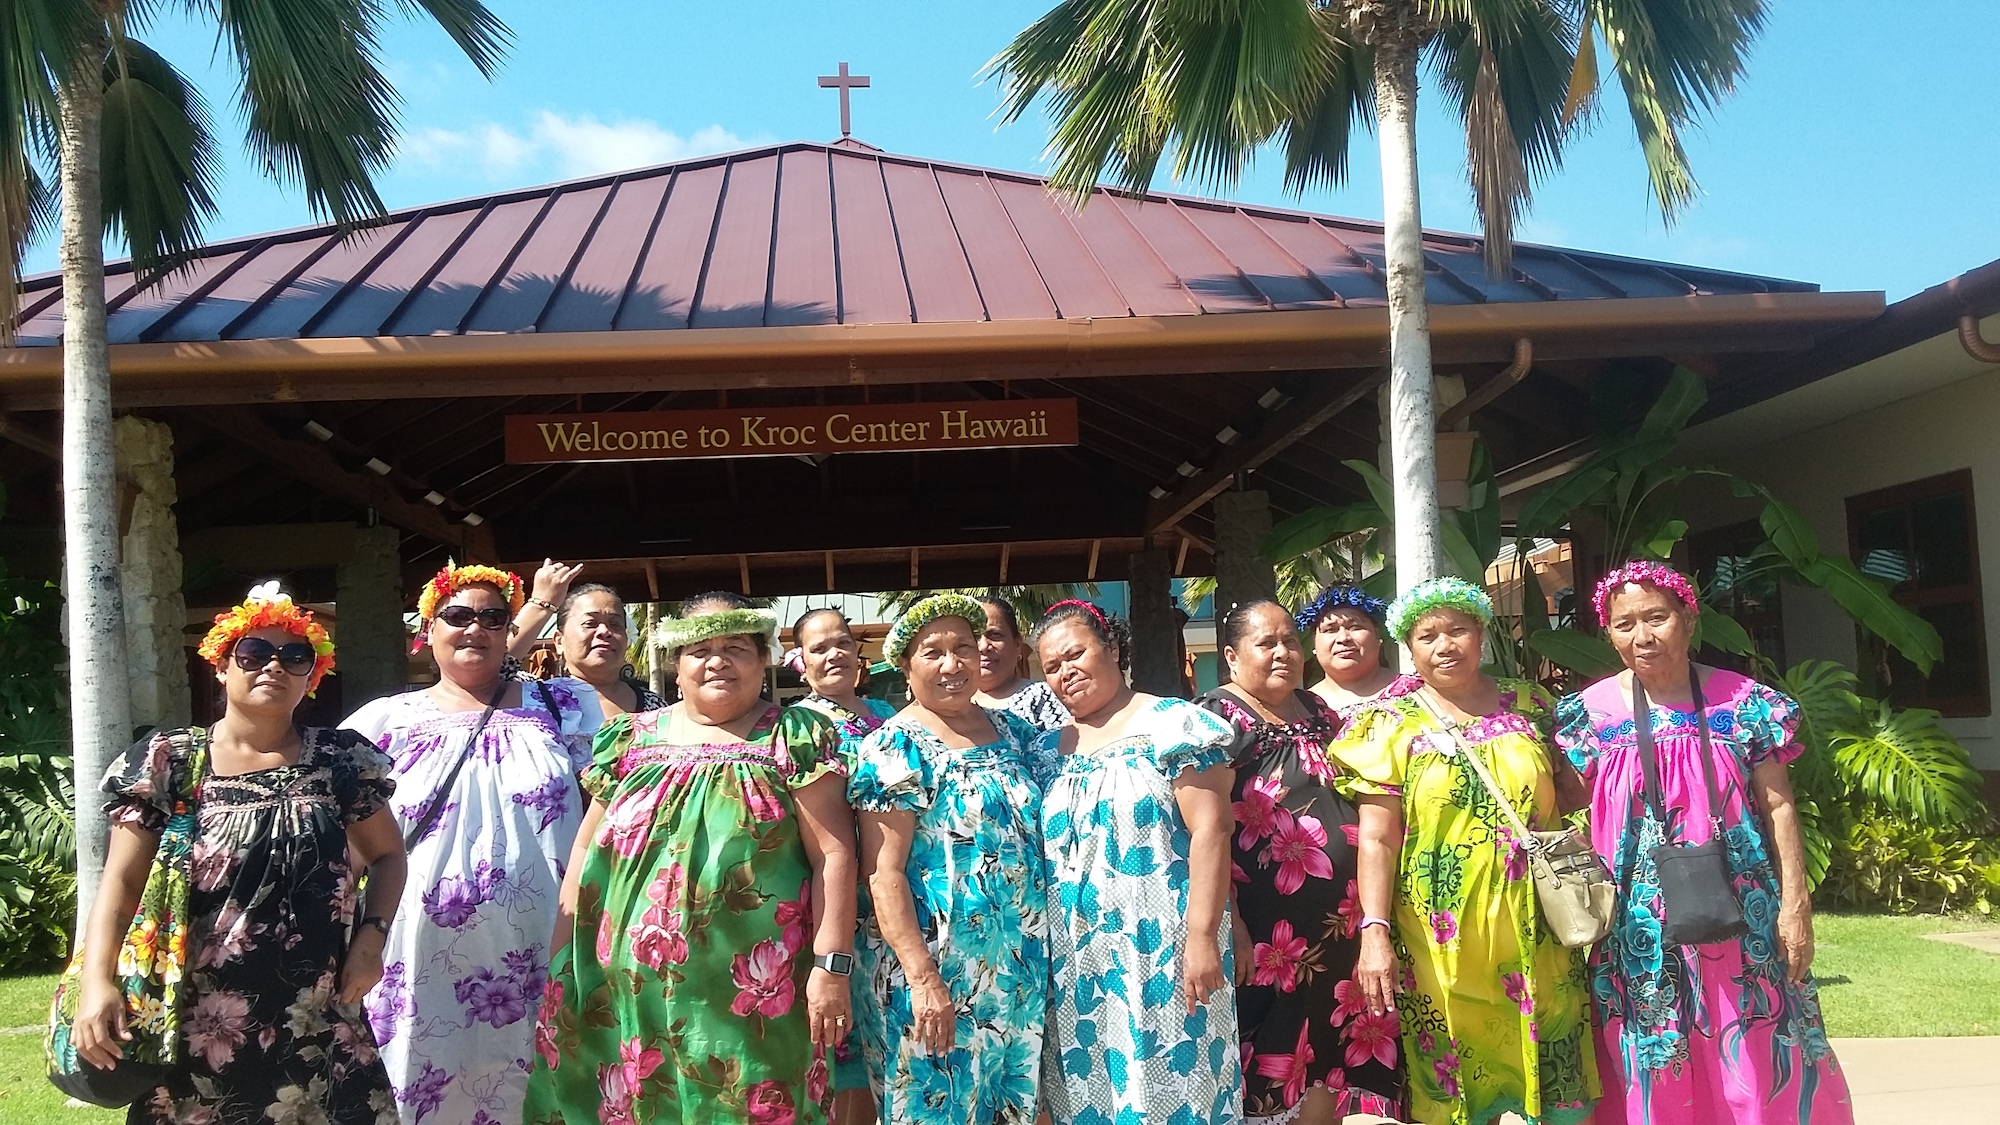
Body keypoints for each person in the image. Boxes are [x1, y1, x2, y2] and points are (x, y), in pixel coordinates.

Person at [69, 582, 405, 1123]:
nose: (273, 666)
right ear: (221, 666)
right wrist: (96, 983)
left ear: (311, 676)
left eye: (294, 656)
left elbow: (389, 857)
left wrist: (373, 938)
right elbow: (121, 882)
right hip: (195, 1016)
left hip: (316, 1015)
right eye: (252, 654)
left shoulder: (341, 763)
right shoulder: (171, 762)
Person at [525, 591, 857, 1125]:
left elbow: (834, 855)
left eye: (736, 647)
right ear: (676, 665)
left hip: (754, 1000)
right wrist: (562, 964)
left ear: (764, 660)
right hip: (625, 993)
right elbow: (586, 847)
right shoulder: (628, 740)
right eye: (700, 648)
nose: (717, 660)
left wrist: (831, 967)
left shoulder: (791, 738)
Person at [1553, 562, 1854, 1125]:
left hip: (1742, 911)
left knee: (1753, 1034)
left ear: (1689, 620)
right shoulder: (1589, 714)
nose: (1642, 637)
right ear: (1609, 633)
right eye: (1624, 625)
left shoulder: (1744, 703)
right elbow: (1562, 802)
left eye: (1657, 618)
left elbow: (1779, 805)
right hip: (1635, 925)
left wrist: (1796, 904)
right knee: (1652, 1046)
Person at [1330, 577, 1599, 1125]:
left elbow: (1577, 795)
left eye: (1458, 630)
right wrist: (1374, 929)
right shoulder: (1388, 723)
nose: (1444, 645)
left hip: (1539, 918)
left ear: (1482, 635)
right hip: (1438, 933)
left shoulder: (1532, 704)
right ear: (1409, 646)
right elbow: (1378, 837)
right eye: (1428, 635)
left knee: (1553, 1041)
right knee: (1455, 1065)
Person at [343, 563, 603, 1125]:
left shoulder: (564, 707)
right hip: (416, 950)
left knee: (542, 1084)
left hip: (542, 941)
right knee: (420, 1079)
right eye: (457, 616)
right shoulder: (383, 722)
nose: (474, 629)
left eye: (492, 617)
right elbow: (343, 839)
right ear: (427, 629)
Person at [1032, 599, 1242, 1125]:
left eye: (1075, 655)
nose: (1065, 673)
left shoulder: (1175, 724)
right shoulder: (1043, 749)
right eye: (1051, 667)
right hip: (1077, 959)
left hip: (1165, 946)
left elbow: (1212, 831)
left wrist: (1202, 937)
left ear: (1113, 648)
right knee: (1090, 1090)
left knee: (1180, 1083)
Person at [1198, 599, 1403, 1125]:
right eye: (1266, 643)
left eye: (1290, 640)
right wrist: (1232, 924)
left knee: (1328, 1059)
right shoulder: (1214, 720)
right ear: (1231, 655)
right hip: (1269, 938)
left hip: (1339, 928)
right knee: (1271, 1060)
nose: (1283, 652)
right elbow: (1207, 831)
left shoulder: (1319, 712)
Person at [848, 594, 1049, 1125]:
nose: (952, 663)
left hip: (1014, 971)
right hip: (932, 973)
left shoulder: (1016, 732)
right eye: (932, 652)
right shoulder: (894, 748)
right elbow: (882, 873)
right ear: (906, 665)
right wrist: (923, 978)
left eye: (963, 647)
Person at [790, 606, 900, 1123]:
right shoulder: (796, 728)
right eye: (819, 647)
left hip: (893, 897)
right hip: (831, 903)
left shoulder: (890, 717)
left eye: (842, 642)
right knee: (839, 1041)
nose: (833, 654)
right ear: (800, 663)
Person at [509, 560, 663, 717]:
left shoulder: (654, 707)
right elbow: (496, 667)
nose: (604, 631)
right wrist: (539, 604)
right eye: (590, 623)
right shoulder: (532, 695)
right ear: (559, 641)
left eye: (615, 624)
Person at [1298, 586, 1421, 716]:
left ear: (1377, 636)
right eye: (1330, 630)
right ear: (1314, 645)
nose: (1343, 638)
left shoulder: (1418, 693)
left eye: (1355, 627)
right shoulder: (1300, 708)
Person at [971, 596, 1069, 731]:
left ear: (1017, 644)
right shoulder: (950, 703)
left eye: (995, 635)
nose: (983, 646)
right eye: (975, 636)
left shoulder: (1042, 697)